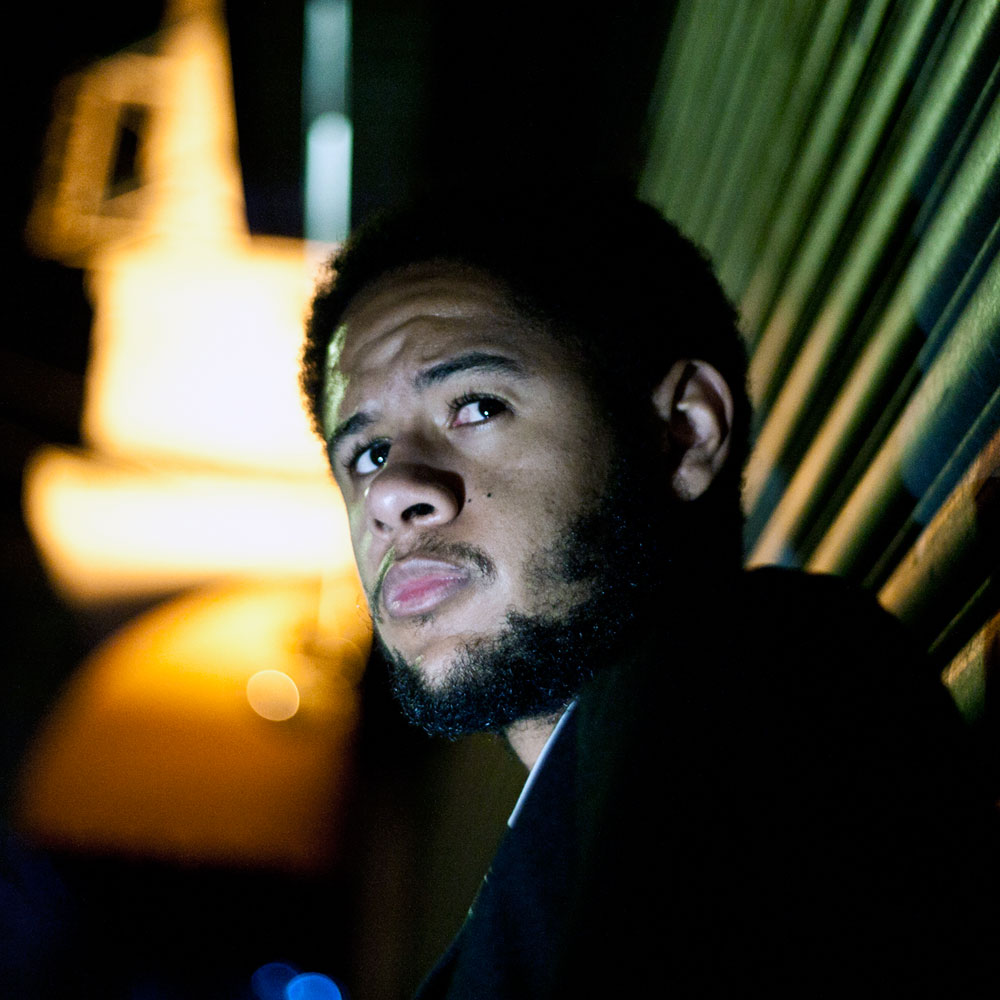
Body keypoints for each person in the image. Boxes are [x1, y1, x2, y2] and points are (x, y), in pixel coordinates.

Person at [301, 187, 996, 996]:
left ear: (686, 432)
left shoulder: (766, 676)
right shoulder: (535, 877)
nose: (392, 492)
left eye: (477, 406)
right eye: (366, 456)